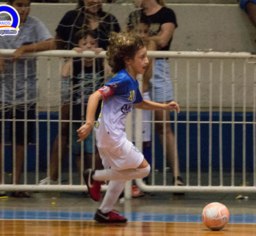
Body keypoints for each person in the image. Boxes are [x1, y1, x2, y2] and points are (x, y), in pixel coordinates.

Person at [78, 32, 180, 223]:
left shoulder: (131, 81)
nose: (147, 61)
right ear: (128, 60)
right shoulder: (122, 79)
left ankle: (104, 211)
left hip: (107, 134)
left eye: (146, 56)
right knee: (144, 169)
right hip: (112, 134)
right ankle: (94, 176)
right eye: (141, 57)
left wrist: (164, 106)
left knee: (122, 175)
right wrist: (88, 123)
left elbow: (140, 103)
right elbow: (95, 96)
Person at [0, 0, 53, 197]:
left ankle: (16, 183)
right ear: (10, 5)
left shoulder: (35, 24)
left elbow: (51, 42)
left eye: (26, 4)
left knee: (21, 138)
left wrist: (26, 48)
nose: (23, 9)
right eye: (18, 4)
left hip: (27, 92)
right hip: (1, 90)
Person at [40, 0, 120, 185]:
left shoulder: (110, 20)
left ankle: (99, 178)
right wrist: (73, 54)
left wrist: (103, 54)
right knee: (66, 128)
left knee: (99, 138)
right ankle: (53, 176)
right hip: (74, 85)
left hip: (98, 89)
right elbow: (58, 43)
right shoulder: (71, 17)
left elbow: (116, 53)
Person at [130, 0, 184, 188]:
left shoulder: (167, 14)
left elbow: (163, 41)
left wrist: (147, 41)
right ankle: (139, 177)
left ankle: (177, 176)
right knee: (135, 125)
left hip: (159, 66)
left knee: (163, 125)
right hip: (137, 66)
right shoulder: (134, 15)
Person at [59, 29, 104, 181]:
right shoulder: (76, 63)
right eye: (84, 44)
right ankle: (84, 183)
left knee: (93, 150)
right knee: (79, 151)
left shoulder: (100, 62)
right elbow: (64, 73)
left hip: (96, 115)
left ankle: (95, 178)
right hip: (77, 114)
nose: (89, 47)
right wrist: (72, 56)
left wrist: (103, 55)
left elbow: (112, 70)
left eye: (93, 43)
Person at [127, 13, 157, 198]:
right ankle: (126, 182)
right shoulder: (124, 50)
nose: (143, 35)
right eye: (138, 31)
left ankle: (141, 180)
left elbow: (147, 77)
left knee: (144, 140)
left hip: (142, 96)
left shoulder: (149, 49)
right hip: (125, 99)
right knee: (125, 141)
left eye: (145, 31)